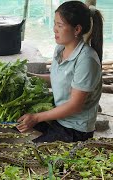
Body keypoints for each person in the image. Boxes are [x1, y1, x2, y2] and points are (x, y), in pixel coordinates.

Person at [16, 1, 103, 143]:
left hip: (74, 130)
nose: (54, 29)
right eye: (55, 23)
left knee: (30, 154)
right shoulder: (61, 49)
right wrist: (27, 77)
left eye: (60, 25)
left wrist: (36, 117)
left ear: (77, 30)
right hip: (58, 118)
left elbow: (75, 106)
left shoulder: (86, 60)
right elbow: (58, 77)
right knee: (13, 118)